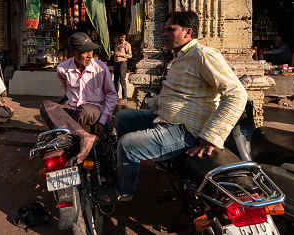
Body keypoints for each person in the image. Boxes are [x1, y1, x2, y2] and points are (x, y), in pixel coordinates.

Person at [96, 11, 248, 204]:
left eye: (171, 29)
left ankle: (124, 191)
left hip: (185, 131)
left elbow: (236, 94)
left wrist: (211, 136)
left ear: (188, 32)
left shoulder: (203, 55)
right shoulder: (180, 57)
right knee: (123, 117)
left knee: (127, 144)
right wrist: (150, 103)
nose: (164, 34)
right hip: (167, 119)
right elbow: (176, 93)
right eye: (165, 29)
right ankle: (127, 168)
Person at [40, 32, 118, 163]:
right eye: (84, 51)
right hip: (74, 109)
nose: (90, 55)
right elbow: (66, 89)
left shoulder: (101, 68)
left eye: (91, 51)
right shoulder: (62, 69)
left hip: (93, 111)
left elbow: (111, 95)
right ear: (72, 53)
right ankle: (84, 135)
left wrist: (102, 121)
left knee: (85, 111)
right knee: (46, 106)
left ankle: (68, 132)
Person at [113, 33, 132, 103]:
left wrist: (120, 54)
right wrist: (114, 53)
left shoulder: (127, 44)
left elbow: (130, 55)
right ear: (119, 37)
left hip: (123, 63)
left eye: (123, 37)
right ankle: (115, 96)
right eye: (121, 37)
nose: (122, 39)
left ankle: (124, 97)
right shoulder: (116, 44)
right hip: (116, 63)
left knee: (122, 80)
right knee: (116, 80)